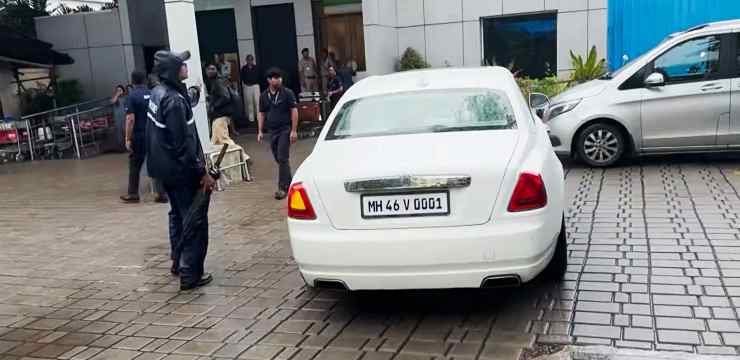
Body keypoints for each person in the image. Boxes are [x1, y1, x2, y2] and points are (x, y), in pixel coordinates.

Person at [147, 49, 216, 291]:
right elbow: (182, 145)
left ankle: (178, 262)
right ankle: (190, 274)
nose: (186, 67)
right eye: (182, 65)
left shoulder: (158, 93)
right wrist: (202, 173)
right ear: (173, 71)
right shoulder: (174, 100)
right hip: (182, 172)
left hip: (166, 171)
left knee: (177, 215)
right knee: (194, 220)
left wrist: (195, 91)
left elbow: (185, 105)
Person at [120, 71, 168, 204]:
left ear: (132, 81)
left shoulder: (132, 96)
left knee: (135, 164)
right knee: (156, 162)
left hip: (139, 135)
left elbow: (130, 119)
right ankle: (161, 193)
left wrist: (127, 139)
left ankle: (133, 194)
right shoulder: (153, 94)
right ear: (145, 80)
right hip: (154, 133)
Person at [258, 68, 298, 200]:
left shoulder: (287, 93)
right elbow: (262, 113)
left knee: (282, 157)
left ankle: (282, 188)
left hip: (285, 129)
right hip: (272, 131)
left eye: (280, 77)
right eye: (275, 77)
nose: (279, 79)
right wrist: (260, 130)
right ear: (269, 80)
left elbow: (294, 111)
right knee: (280, 159)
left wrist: (293, 130)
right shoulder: (264, 96)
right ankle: (291, 182)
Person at [205, 63, 239, 137]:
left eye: (213, 69)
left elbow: (225, 96)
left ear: (217, 70)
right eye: (208, 69)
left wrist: (214, 105)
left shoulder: (218, 81)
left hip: (221, 113)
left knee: (221, 137)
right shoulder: (215, 81)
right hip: (222, 113)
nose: (210, 71)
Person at [240, 54, 260, 123]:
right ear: (246, 60)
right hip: (248, 86)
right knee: (250, 103)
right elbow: (242, 77)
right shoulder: (244, 68)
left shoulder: (256, 67)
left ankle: (258, 117)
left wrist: (256, 82)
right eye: (248, 60)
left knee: (257, 102)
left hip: (255, 86)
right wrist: (246, 83)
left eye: (251, 59)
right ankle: (251, 119)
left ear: (253, 60)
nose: (250, 61)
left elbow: (259, 76)